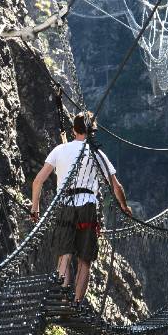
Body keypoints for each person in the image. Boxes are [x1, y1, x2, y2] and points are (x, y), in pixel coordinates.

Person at [30, 111, 132, 303]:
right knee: (84, 260)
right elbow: (115, 185)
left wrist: (35, 208)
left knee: (64, 254)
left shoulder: (60, 150)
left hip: (65, 205)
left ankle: (61, 296)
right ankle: (76, 303)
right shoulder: (97, 154)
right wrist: (124, 207)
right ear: (92, 131)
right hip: (87, 206)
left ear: (73, 129)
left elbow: (38, 181)